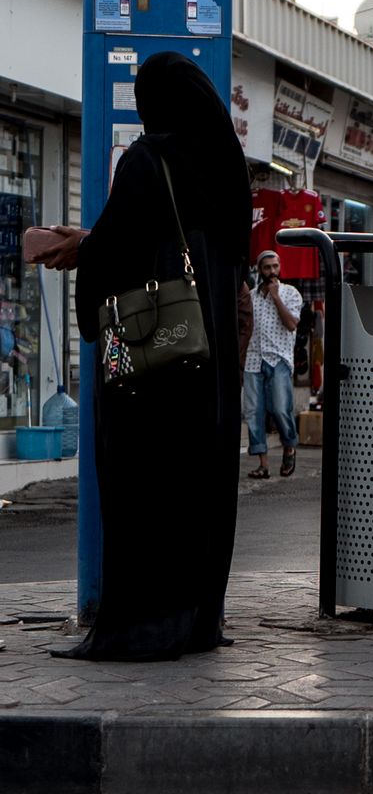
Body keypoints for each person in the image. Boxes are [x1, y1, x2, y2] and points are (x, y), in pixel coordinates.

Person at [38, 51, 251, 660]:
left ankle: (143, 628)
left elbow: (118, 252)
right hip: (208, 371)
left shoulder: (147, 160)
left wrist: (81, 247)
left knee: (144, 480)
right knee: (202, 486)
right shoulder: (227, 167)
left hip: (156, 367)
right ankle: (196, 622)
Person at [245, 250, 302, 479]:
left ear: (280, 267)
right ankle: (263, 464)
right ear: (260, 270)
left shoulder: (291, 293)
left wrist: (276, 296)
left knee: (280, 408)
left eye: (275, 267)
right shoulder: (250, 297)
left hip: (278, 359)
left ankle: (289, 445)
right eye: (267, 268)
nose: (271, 272)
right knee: (253, 413)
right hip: (252, 359)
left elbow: (291, 324)